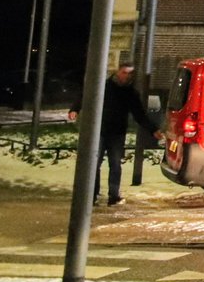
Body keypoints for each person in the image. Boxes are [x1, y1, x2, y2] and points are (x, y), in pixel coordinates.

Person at [68, 63, 163, 206]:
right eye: (125, 72)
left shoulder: (130, 93)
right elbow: (86, 94)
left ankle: (113, 195)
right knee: (95, 163)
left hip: (117, 133)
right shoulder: (104, 86)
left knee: (115, 164)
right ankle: (92, 195)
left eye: (130, 74)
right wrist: (75, 108)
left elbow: (139, 114)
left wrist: (153, 129)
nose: (127, 76)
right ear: (118, 72)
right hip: (99, 130)